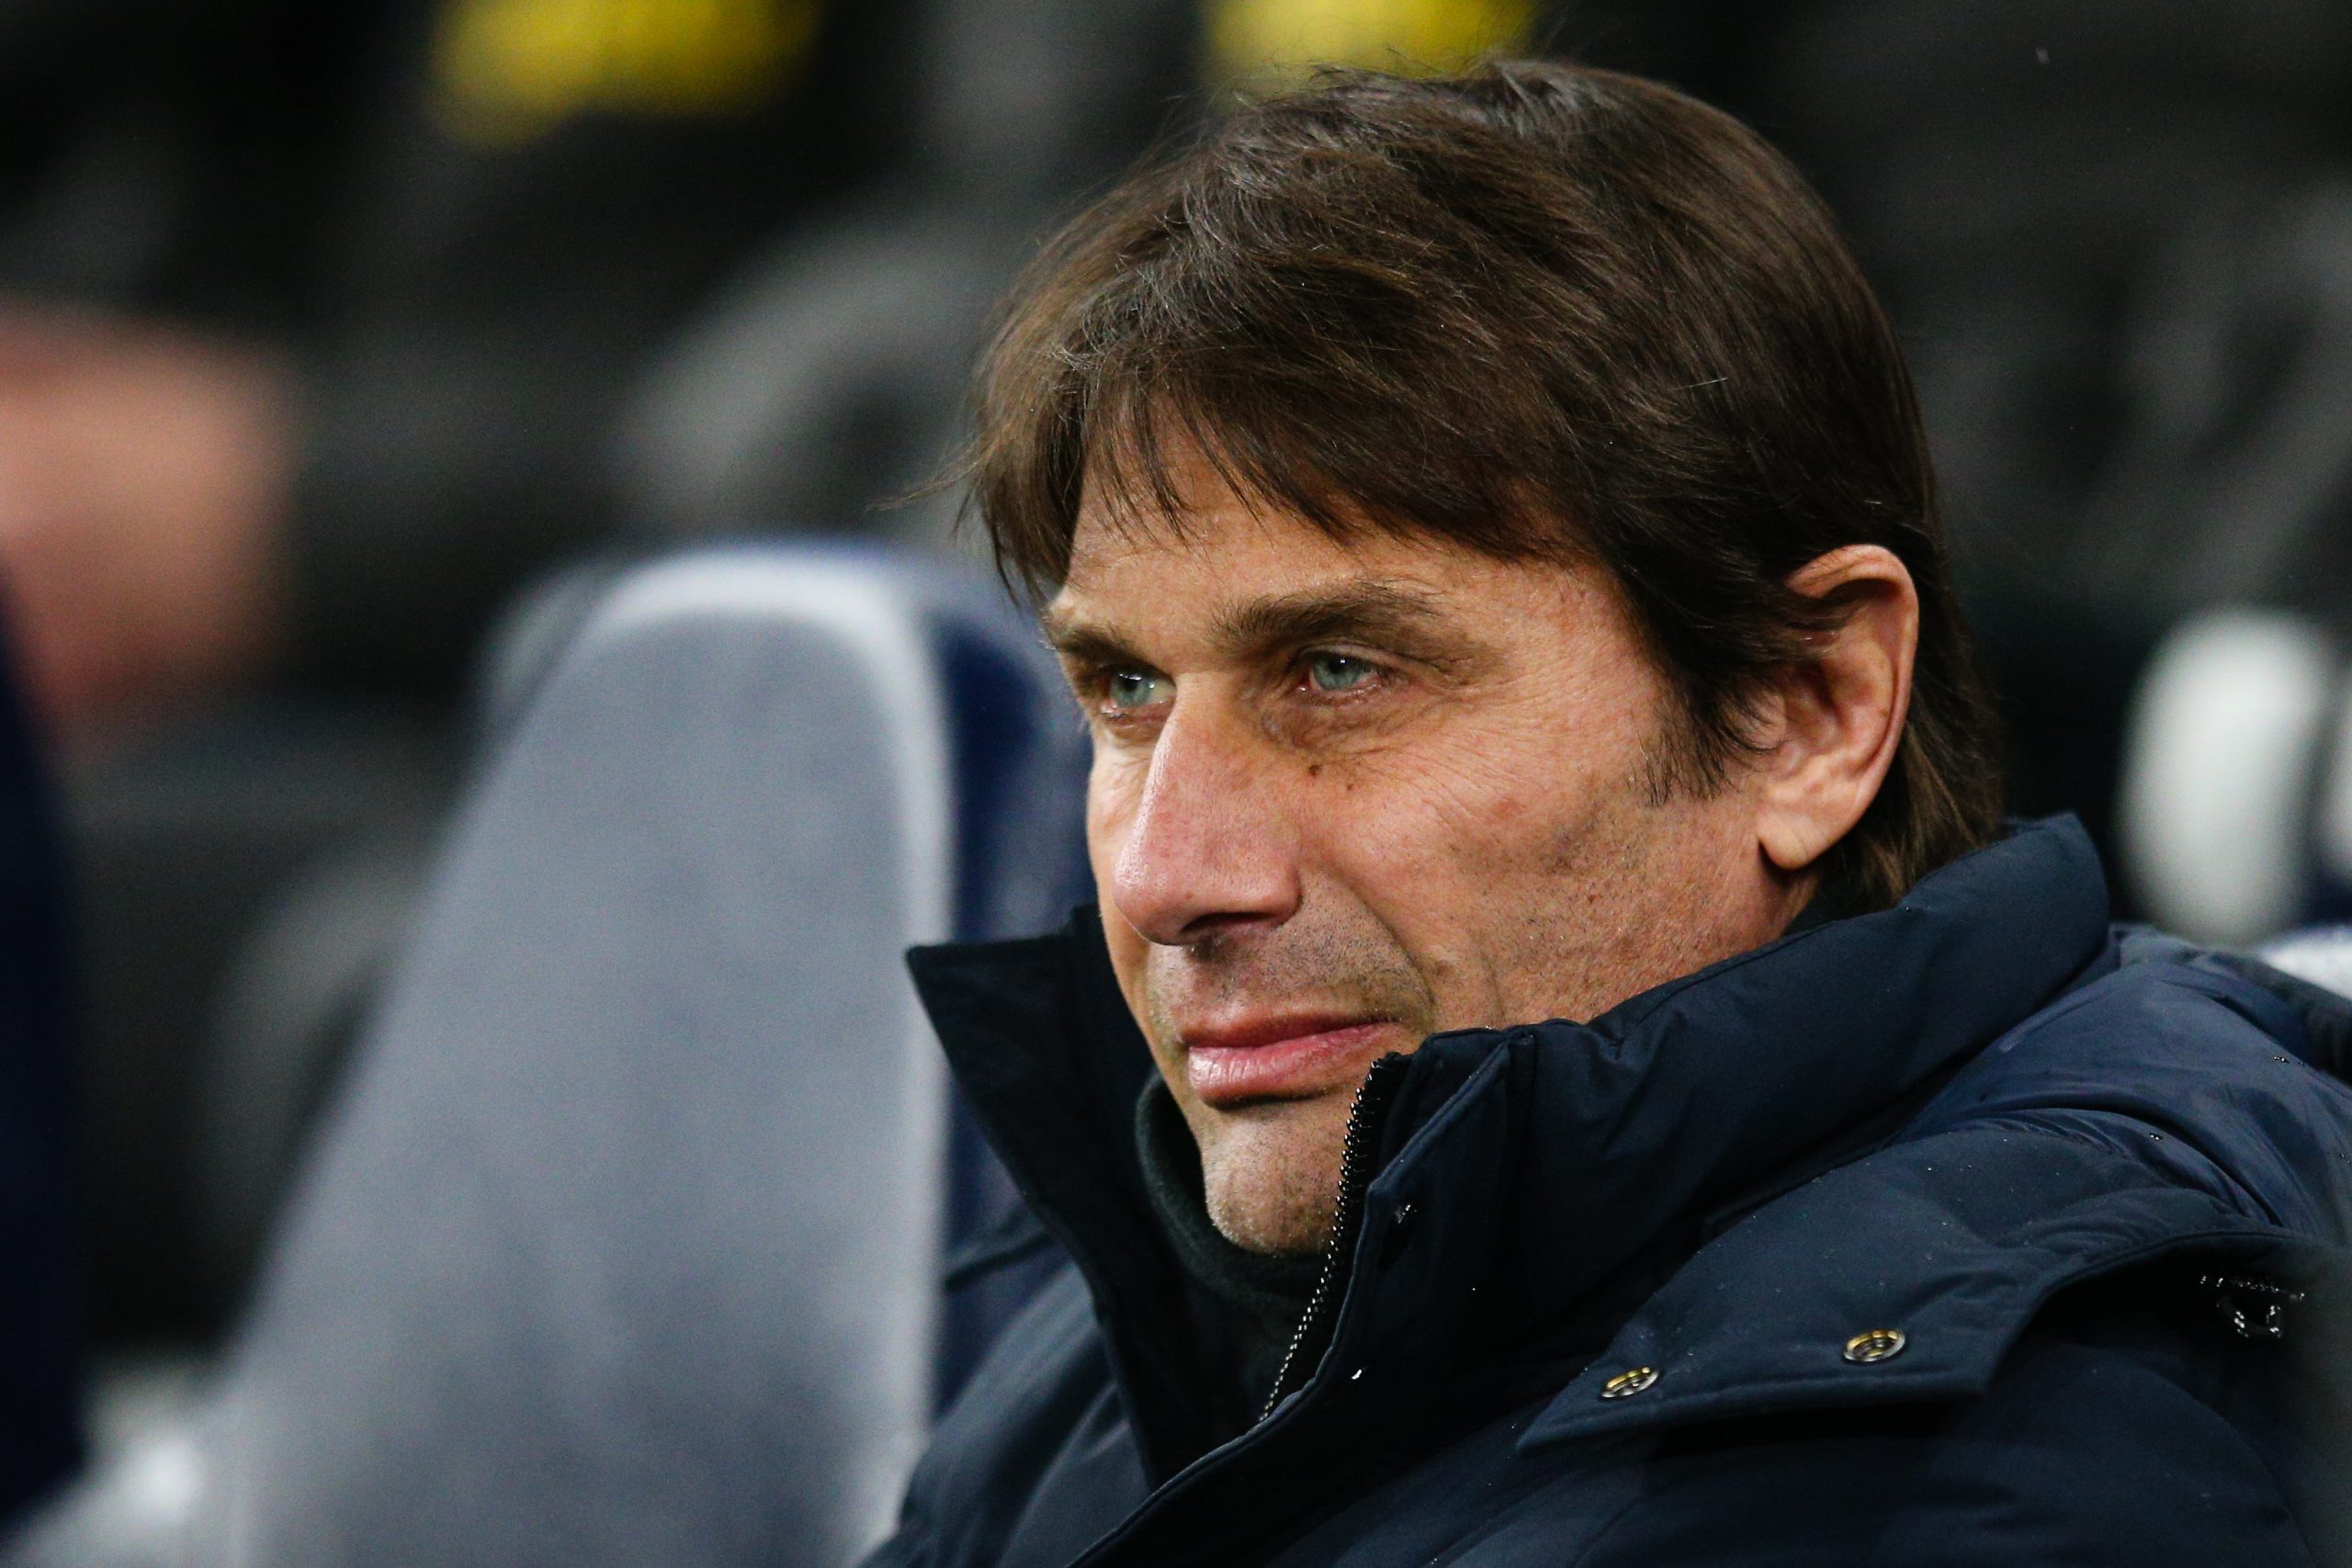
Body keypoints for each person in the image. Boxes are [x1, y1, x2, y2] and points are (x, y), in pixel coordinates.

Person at [874, 61, 2352, 1565]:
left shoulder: (2043, 1462)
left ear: (1810, 711)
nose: (1165, 870)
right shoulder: (1105, 1346)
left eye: (1338, 672)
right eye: (1124, 690)